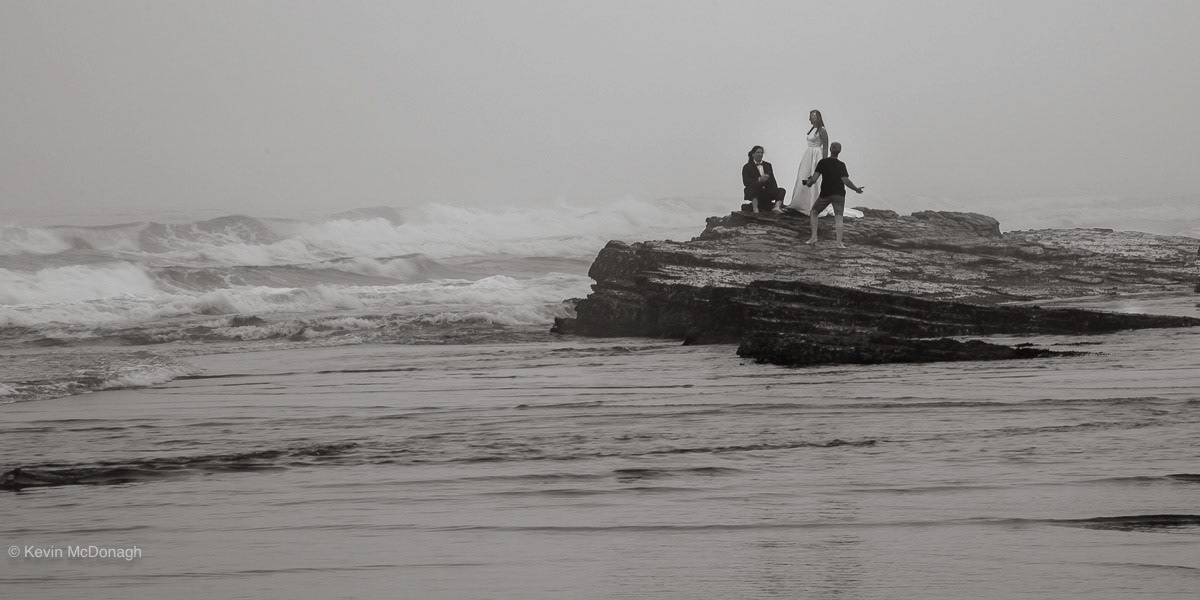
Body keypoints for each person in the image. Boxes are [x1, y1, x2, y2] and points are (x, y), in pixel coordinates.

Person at [802, 141, 864, 248]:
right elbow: (845, 180)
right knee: (839, 218)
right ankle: (839, 243)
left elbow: (814, 178)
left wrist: (809, 183)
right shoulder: (841, 165)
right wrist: (856, 189)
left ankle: (814, 237)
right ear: (839, 152)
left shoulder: (823, 162)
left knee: (814, 212)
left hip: (826, 193)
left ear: (830, 149)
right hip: (839, 194)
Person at [790, 109, 828, 214]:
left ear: (819, 117)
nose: (813, 117)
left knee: (815, 176)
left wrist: (825, 161)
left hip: (817, 154)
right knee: (805, 175)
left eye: (815, 115)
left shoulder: (822, 130)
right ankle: (803, 202)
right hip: (808, 154)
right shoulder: (812, 129)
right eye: (811, 115)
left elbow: (825, 147)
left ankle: (816, 203)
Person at [741, 146, 786, 213]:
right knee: (756, 185)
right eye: (758, 152)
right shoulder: (747, 167)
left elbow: (773, 179)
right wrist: (759, 179)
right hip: (754, 193)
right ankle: (755, 208)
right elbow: (746, 182)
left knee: (782, 190)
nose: (760, 154)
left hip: (767, 192)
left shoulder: (768, 165)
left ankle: (777, 207)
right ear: (753, 154)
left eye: (761, 153)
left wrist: (774, 190)